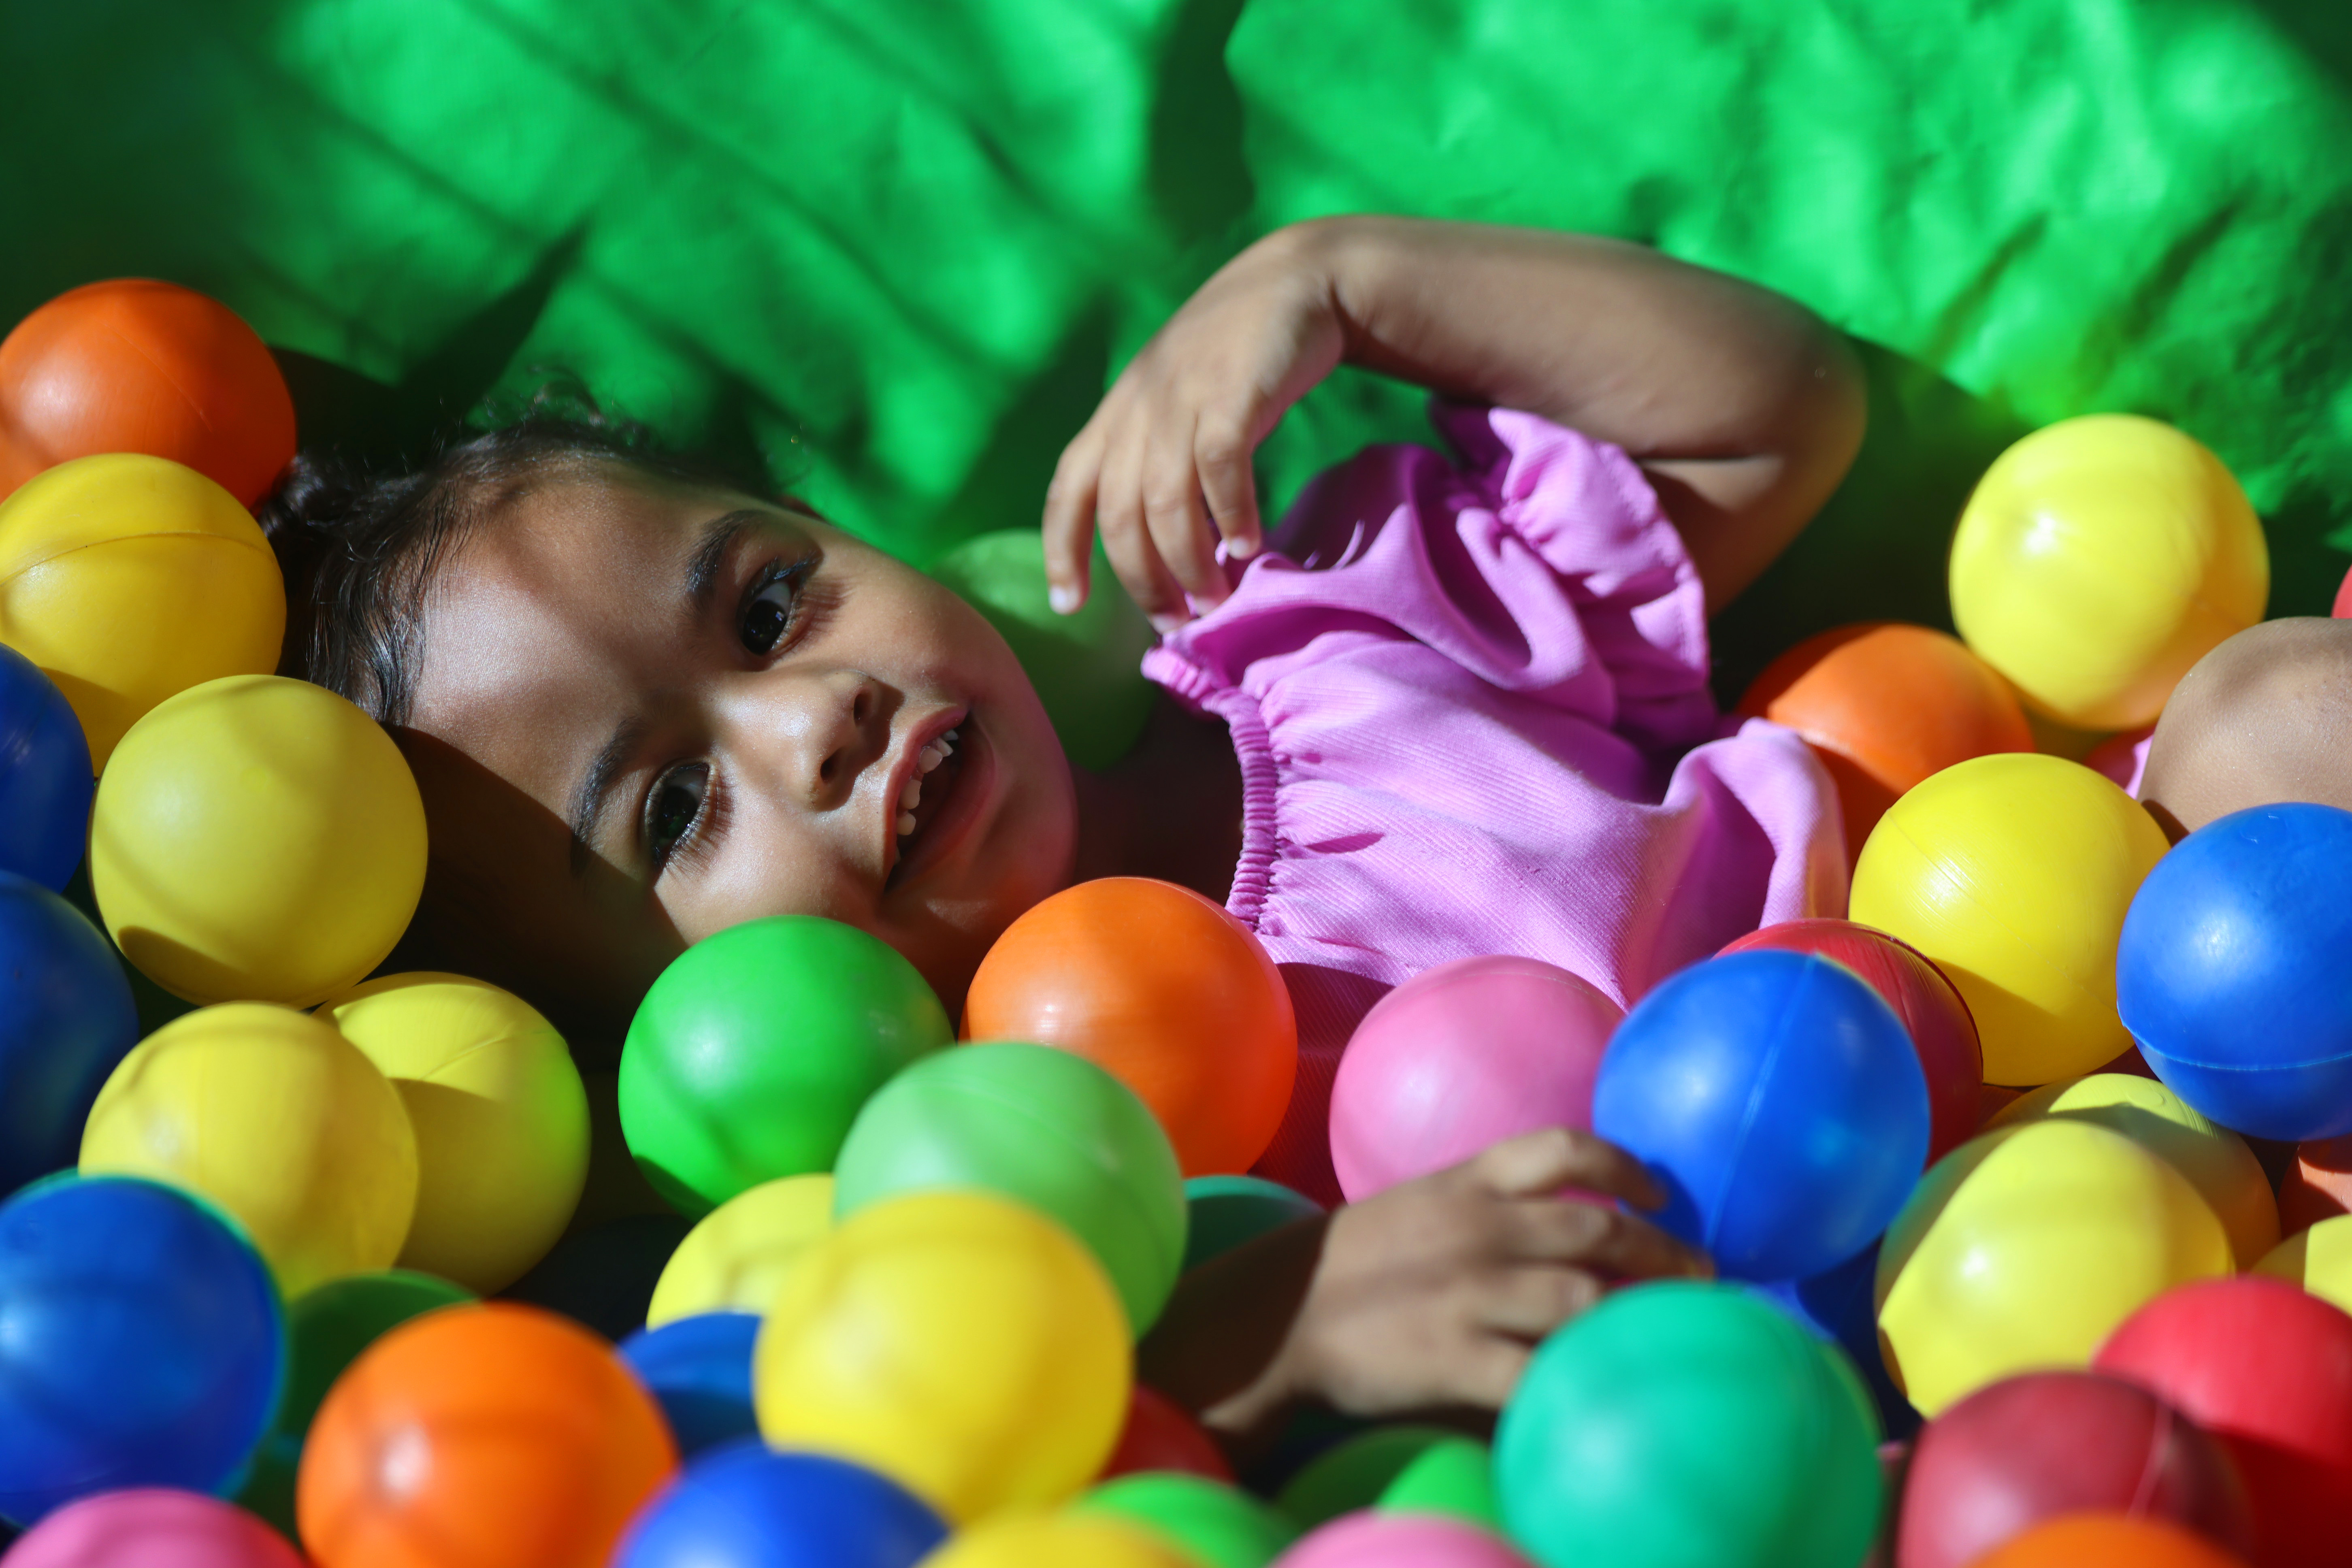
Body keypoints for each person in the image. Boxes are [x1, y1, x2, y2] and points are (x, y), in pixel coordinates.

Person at [264, 215, 1866, 1444]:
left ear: (840, 533)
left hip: (1965, 1083)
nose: (812, 719)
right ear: (648, 1040)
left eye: (768, 606)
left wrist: (1339, 278)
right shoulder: (987, 1244)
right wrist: (1266, 1345)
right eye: (673, 808)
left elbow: (1772, 418)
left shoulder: (1339, 621)